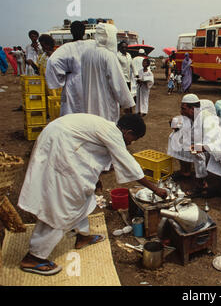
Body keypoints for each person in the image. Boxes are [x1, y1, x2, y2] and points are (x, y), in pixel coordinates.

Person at [18, 113, 168, 276]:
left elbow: (90, 154)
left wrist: (95, 179)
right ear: (128, 131)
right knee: (62, 205)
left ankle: (82, 237)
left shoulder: (108, 128)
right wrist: (156, 189)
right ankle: (34, 257)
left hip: (61, 142)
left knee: (83, 195)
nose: (131, 143)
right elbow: (131, 167)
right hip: (59, 147)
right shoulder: (114, 134)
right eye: (133, 138)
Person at [168, 94, 221, 197]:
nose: (181, 112)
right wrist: (175, 125)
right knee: (175, 137)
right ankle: (185, 172)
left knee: (196, 152)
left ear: (192, 108)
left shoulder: (208, 119)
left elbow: (213, 141)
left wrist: (198, 148)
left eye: (183, 109)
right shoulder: (191, 115)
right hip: (200, 144)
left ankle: (201, 185)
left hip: (214, 149)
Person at [80, 23, 135, 122]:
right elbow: (118, 84)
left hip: (88, 103)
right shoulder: (108, 56)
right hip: (105, 104)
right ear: (109, 37)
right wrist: (127, 103)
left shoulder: (86, 54)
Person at [46, 21, 96, 116]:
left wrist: (62, 76)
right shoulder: (92, 44)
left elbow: (52, 62)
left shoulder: (66, 48)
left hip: (73, 82)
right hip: (91, 81)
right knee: (90, 109)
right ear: (84, 32)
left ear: (71, 32)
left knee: (73, 111)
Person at [117, 41, 133, 113]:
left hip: (128, 79)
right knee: (121, 97)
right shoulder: (117, 56)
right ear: (119, 47)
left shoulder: (129, 55)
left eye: (126, 47)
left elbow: (131, 65)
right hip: (121, 80)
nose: (124, 48)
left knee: (128, 96)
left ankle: (128, 112)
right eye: (123, 47)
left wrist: (136, 75)